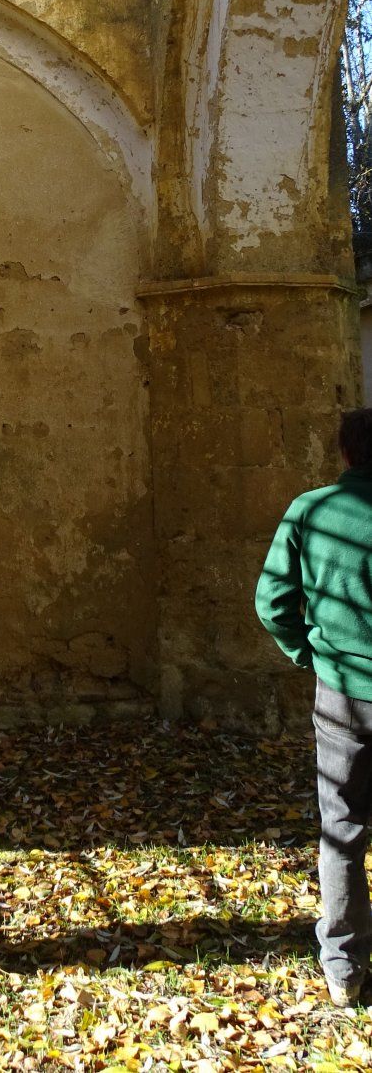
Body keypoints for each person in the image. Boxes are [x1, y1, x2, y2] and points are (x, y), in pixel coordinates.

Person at [256, 407, 372, 1006]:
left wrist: (307, 653)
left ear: (345, 454)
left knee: (343, 829)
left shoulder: (312, 511)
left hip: (342, 694)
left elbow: (272, 599)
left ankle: (345, 969)